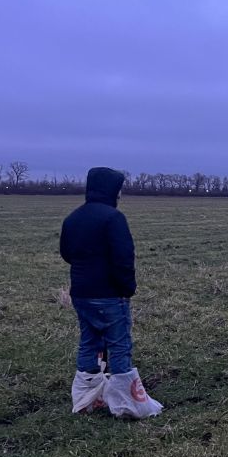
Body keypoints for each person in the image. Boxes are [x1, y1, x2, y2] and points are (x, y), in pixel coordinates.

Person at [60, 166, 162, 417]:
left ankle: (86, 398)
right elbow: (123, 257)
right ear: (112, 190)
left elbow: (67, 253)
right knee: (119, 345)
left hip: (80, 293)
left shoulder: (72, 218)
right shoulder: (114, 218)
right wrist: (127, 287)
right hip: (110, 294)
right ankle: (127, 403)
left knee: (89, 342)